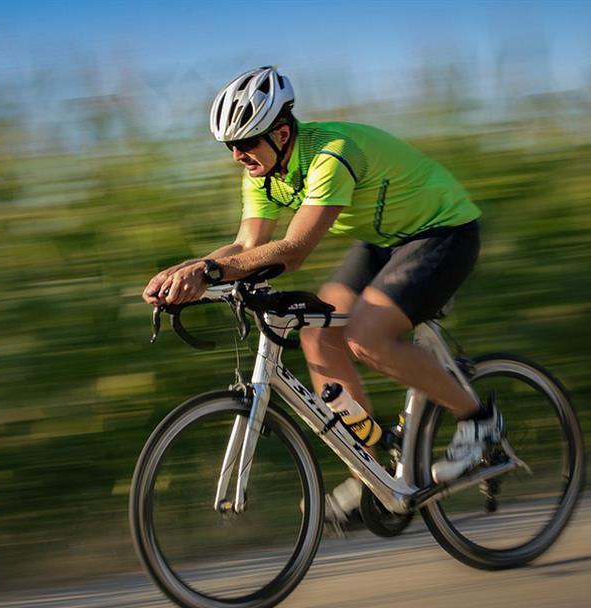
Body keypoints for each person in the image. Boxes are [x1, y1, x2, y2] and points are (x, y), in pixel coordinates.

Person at [141, 66, 502, 528]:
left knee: (367, 337)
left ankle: (479, 419)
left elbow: (293, 251)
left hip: (443, 231)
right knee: (317, 331)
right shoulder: (263, 172)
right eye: (230, 146)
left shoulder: (331, 153)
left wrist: (210, 271)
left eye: (246, 143)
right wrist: (187, 271)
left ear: (283, 133)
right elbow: (248, 247)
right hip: (385, 239)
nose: (237, 155)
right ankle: (370, 473)